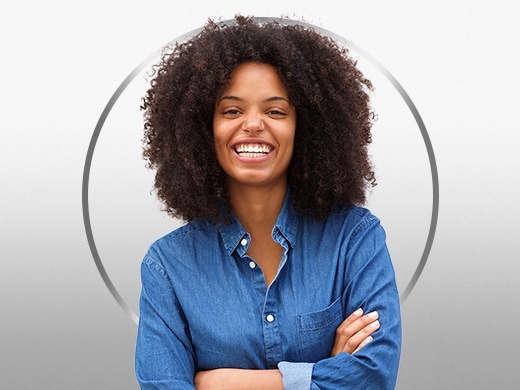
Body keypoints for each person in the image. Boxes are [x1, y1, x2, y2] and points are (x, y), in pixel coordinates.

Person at [135, 15, 401, 389]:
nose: (253, 124)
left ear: (304, 126)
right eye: (232, 110)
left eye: (275, 111)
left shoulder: (355, 239)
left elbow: (374, 376)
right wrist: (324, 371)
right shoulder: (168, 267)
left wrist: (217, 383)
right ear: (201, 128)